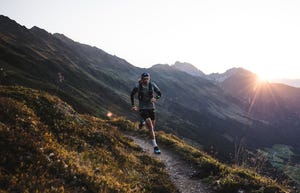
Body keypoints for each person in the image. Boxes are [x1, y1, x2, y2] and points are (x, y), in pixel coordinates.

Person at [130, 72, 162, 154]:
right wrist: (133, 105)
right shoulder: (137, 86)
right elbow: (132, 95)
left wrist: (156, 98)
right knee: (150, 127)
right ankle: (155, 147)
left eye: (147, 79)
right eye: (144, 79)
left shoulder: (152, 85)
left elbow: (159, 93)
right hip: (142, 108)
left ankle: (142, 122)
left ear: (149, 78)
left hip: (151, 107)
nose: (146, 80)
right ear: (141, 79)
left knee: (152, 128)